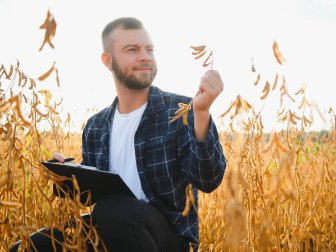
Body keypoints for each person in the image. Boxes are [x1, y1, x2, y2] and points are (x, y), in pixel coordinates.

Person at [11, 17, 226, 252]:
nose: (145, 56)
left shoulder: (182, 111)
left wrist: (202, 113)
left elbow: (207, 181)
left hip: (167, 240)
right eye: (132, 50)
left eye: (149, 49)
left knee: (114, 211)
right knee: (28, 247)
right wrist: (65, 177)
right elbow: (88, 198)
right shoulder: (96, 126)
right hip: (109, 226)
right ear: (108, 60)